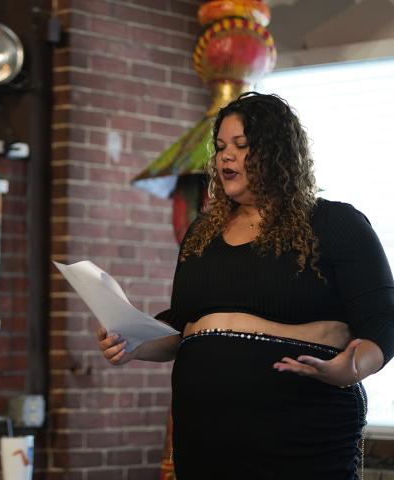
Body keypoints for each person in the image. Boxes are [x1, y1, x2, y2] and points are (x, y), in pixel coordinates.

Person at [97, 92, 394, 479]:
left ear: (277, 153)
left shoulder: (336, 224)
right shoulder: (202, 232)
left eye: (240, 145)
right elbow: (181, 326)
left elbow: (383, 321)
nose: (224, 157)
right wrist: (135, 343)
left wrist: (350, 368)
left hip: (303, 436)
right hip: (206, 440)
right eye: (220, 147)